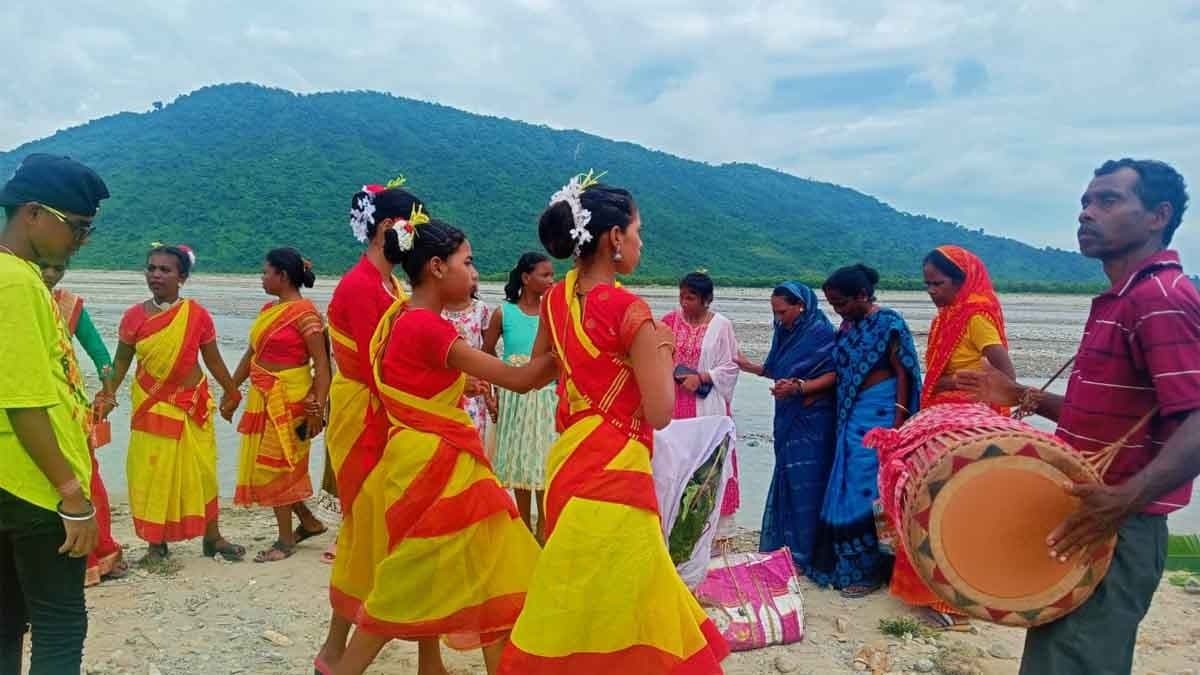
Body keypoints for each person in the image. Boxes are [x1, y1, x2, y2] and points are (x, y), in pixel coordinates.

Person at [959, 159, 1200, 675]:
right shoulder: (1124, 298)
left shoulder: (1160, 297)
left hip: (1119, 523)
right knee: (1058, 657)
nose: (1087, 213)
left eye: (1107, 201)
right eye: (1085, 203)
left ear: (1158, 215)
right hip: (1089, 515)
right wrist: (1020, 393)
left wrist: (1123, 499)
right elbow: (1106, 416)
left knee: (1080, 661)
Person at [500, 173, 728, 673]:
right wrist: (664, 344)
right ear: (615, 239)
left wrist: (459, 361)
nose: (642, 242)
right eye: (639, 231)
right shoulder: (630, 309)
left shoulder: (557, 300)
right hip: (618, 469)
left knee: (577, 586)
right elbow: (661, 411)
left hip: (568, 462)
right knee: (625, 585)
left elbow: (536, 373)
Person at [327, 218, 551, 675]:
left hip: (414, 458)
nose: (474, 273)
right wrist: (570, 340)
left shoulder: (398, 317)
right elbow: (520, 379)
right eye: (467, 262)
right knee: (415, 586)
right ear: (435, 267)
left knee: (475, 575)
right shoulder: (430, 328)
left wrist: (459, 384)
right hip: (438, 465)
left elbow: (416, 382)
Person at [0, 154, 108, 675]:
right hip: (32, 485)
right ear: (33, 214)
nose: (80, 242)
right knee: (59, 621)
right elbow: (24, 402)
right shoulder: (18, 284)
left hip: (10, 480)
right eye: (77, 227)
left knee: (5, 618)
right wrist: (71, 494)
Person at [316, 181, 426, 673]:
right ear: (388, 228)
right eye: (413, 228)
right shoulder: (362, 286)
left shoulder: (388, 284)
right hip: (365, 411)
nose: (417, 239)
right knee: (367, 527)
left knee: (389, 527)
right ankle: (336, 650)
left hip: (380, 407)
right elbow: (381, 364)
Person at [886, 245, 1019, 628]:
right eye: (926, 284)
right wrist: (944, 381)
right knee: (924, 496)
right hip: (942, 415)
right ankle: (934, 590)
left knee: (951, 501)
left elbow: (1004, 372)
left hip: (965, 423)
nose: (931, 291)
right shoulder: (947, 315)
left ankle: (954, 601)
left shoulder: (975, 314)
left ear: (962, 280)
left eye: (938, 283)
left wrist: (964, 381)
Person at [95, 244, 245, 564]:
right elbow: (121, 363)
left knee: (203, 472)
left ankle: (213, 537)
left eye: (165, 270)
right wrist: (107, 395)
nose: (156, 275)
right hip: (153, 405)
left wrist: (232, 391)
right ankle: (155, 544)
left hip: (192, 405)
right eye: (151, 268)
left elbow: (214, 360)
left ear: (183, 277)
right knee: (154, 472)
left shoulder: (197, 315)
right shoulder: (133, 317)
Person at [809, 264, 921, 597]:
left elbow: (905, 373)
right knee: (845, 486)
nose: (837, 310)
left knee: (873, 491)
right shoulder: (846, 327)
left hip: (882, 416)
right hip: (851, 417)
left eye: (841, 303)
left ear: (862, 295)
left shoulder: (889, 323)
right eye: (832, 304)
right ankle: (849, 563)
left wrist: (898, 424)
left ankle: (875, 568)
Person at [230, 248, 332, 562]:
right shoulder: (267, 310)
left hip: (291, 399)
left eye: (266, 272)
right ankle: (310, 523)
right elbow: (252, 355)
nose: (262, 277)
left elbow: (322, 365)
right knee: (269, 465)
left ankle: (285, 541)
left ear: (282, 276)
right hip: (262, 397)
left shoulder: (306, 315)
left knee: (279, 467)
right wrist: (230, 390)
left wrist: (317, 407)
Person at [736, 282, 837, 573]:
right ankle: (783, 547)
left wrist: (799, 387)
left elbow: (834, 373)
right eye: (774, 312)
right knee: (787, 477)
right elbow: (776, 369)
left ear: (800, 306)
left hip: (813, 417)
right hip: (786, 414)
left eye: (782, 311)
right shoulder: (785, 332)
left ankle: (806, 552)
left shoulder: (820, 333)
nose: (778, 318)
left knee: (807, 481)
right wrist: (749, 367)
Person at [39, 260, 126, 587]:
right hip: (25, 404)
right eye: (43, 265)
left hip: (67, 410)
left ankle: (99, 556)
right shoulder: (16, 296)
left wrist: (107, 393)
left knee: (88, 481)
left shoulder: (68, 305)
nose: (50, 273)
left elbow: (102, 357)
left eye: (57, 267)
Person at [482, 252, 558, 540]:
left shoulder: (552, 313)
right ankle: (524, 530)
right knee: (520, 466)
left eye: (552, 275)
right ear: (527, 278)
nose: (551, 280)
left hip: (548, 398)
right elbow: (485, 355)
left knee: (545, 466)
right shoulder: (504, 313)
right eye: (545, 275)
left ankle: (545, 531)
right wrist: (490, 395)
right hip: (515, 398)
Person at [662, 271, 742, 539]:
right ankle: (671, 525)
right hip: (674, 401)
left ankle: (710, 531)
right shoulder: (669, 322)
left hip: (707, 403)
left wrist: (703, 377)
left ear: (707, 299)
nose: (685, 302)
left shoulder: (721, 326)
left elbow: (731, 364)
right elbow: (656, 352)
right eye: (682, 296)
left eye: (691, 297)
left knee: (708, 463)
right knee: (673, 462)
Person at [443, 284, 495, 438]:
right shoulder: (435, 309)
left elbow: (487, 354)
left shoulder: (480, 309)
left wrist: (490, 396)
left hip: (475, 389)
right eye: (465, 264)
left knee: (473, 440)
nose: (472, 274)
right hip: (445, 388)